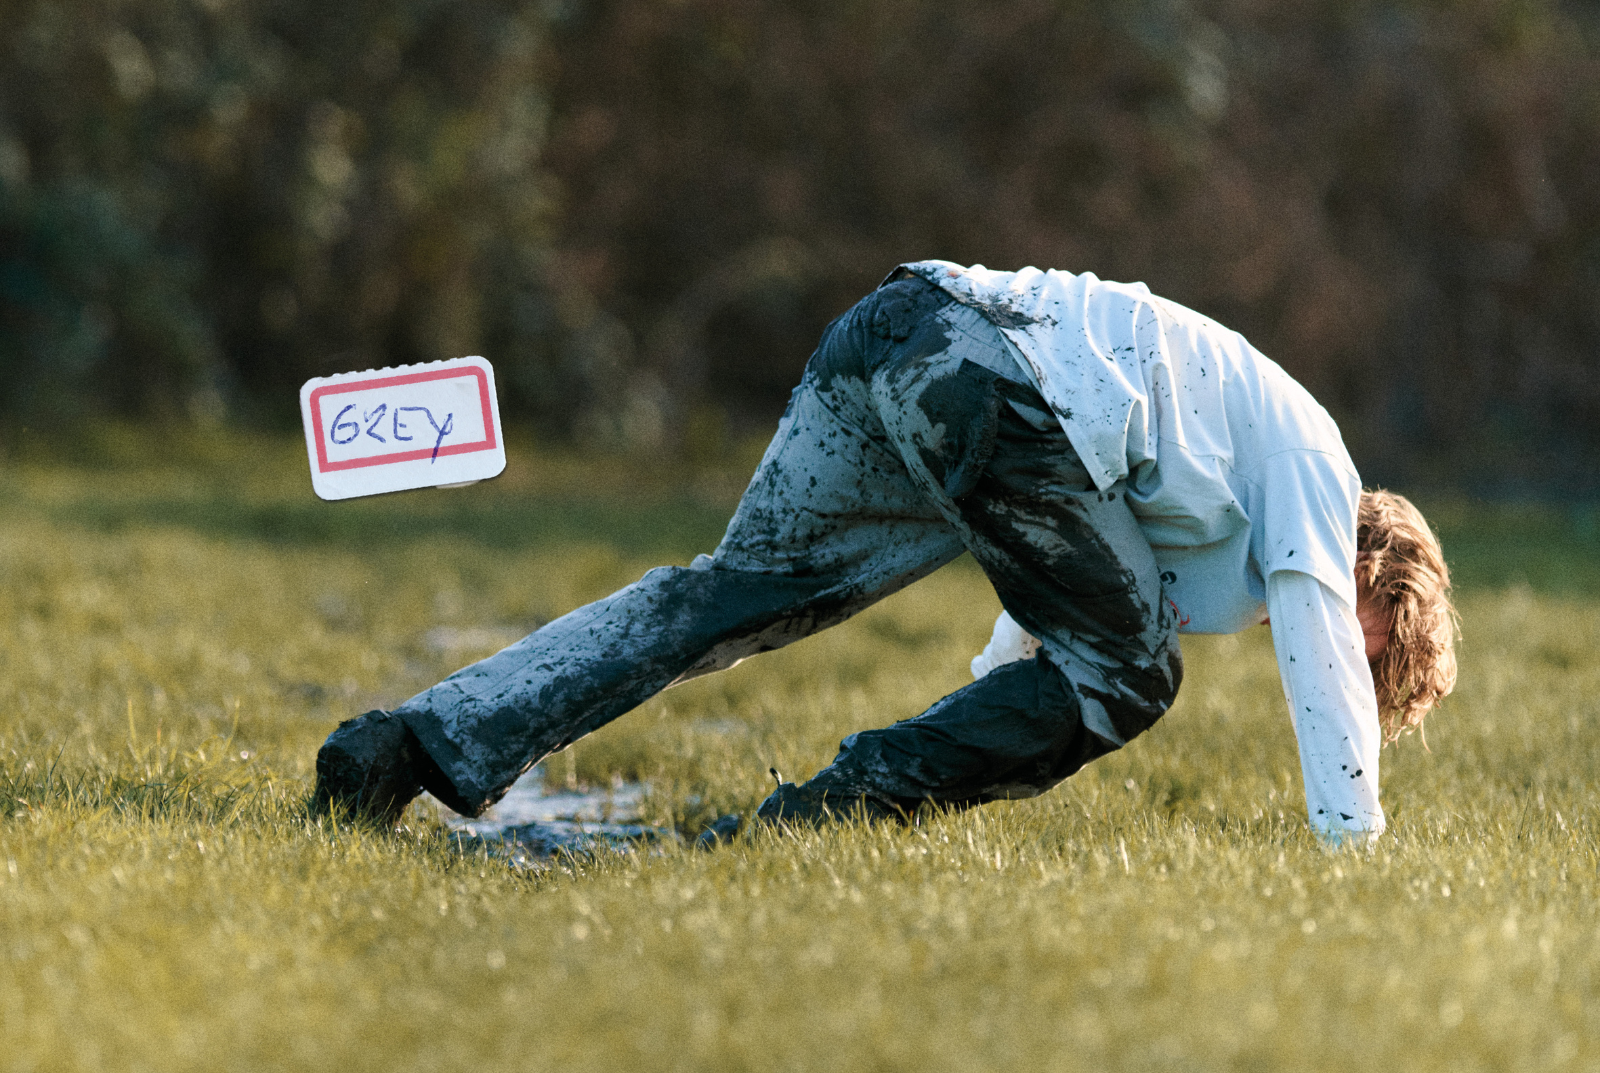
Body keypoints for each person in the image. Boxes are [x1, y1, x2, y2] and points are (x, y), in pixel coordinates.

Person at [312, 262, 1458, 844]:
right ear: (1370, 567)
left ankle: (400, 744)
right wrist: (1350, 845)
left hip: (894, 332)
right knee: (1139, 673)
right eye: (1362, 657)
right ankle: (821, 817)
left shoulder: (1222, 500)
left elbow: (1058, 579)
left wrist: (982, 700)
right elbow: (1296, 648)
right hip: (984, 375)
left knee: (729, 599)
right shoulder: (1315, 463)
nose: (1324, 668)